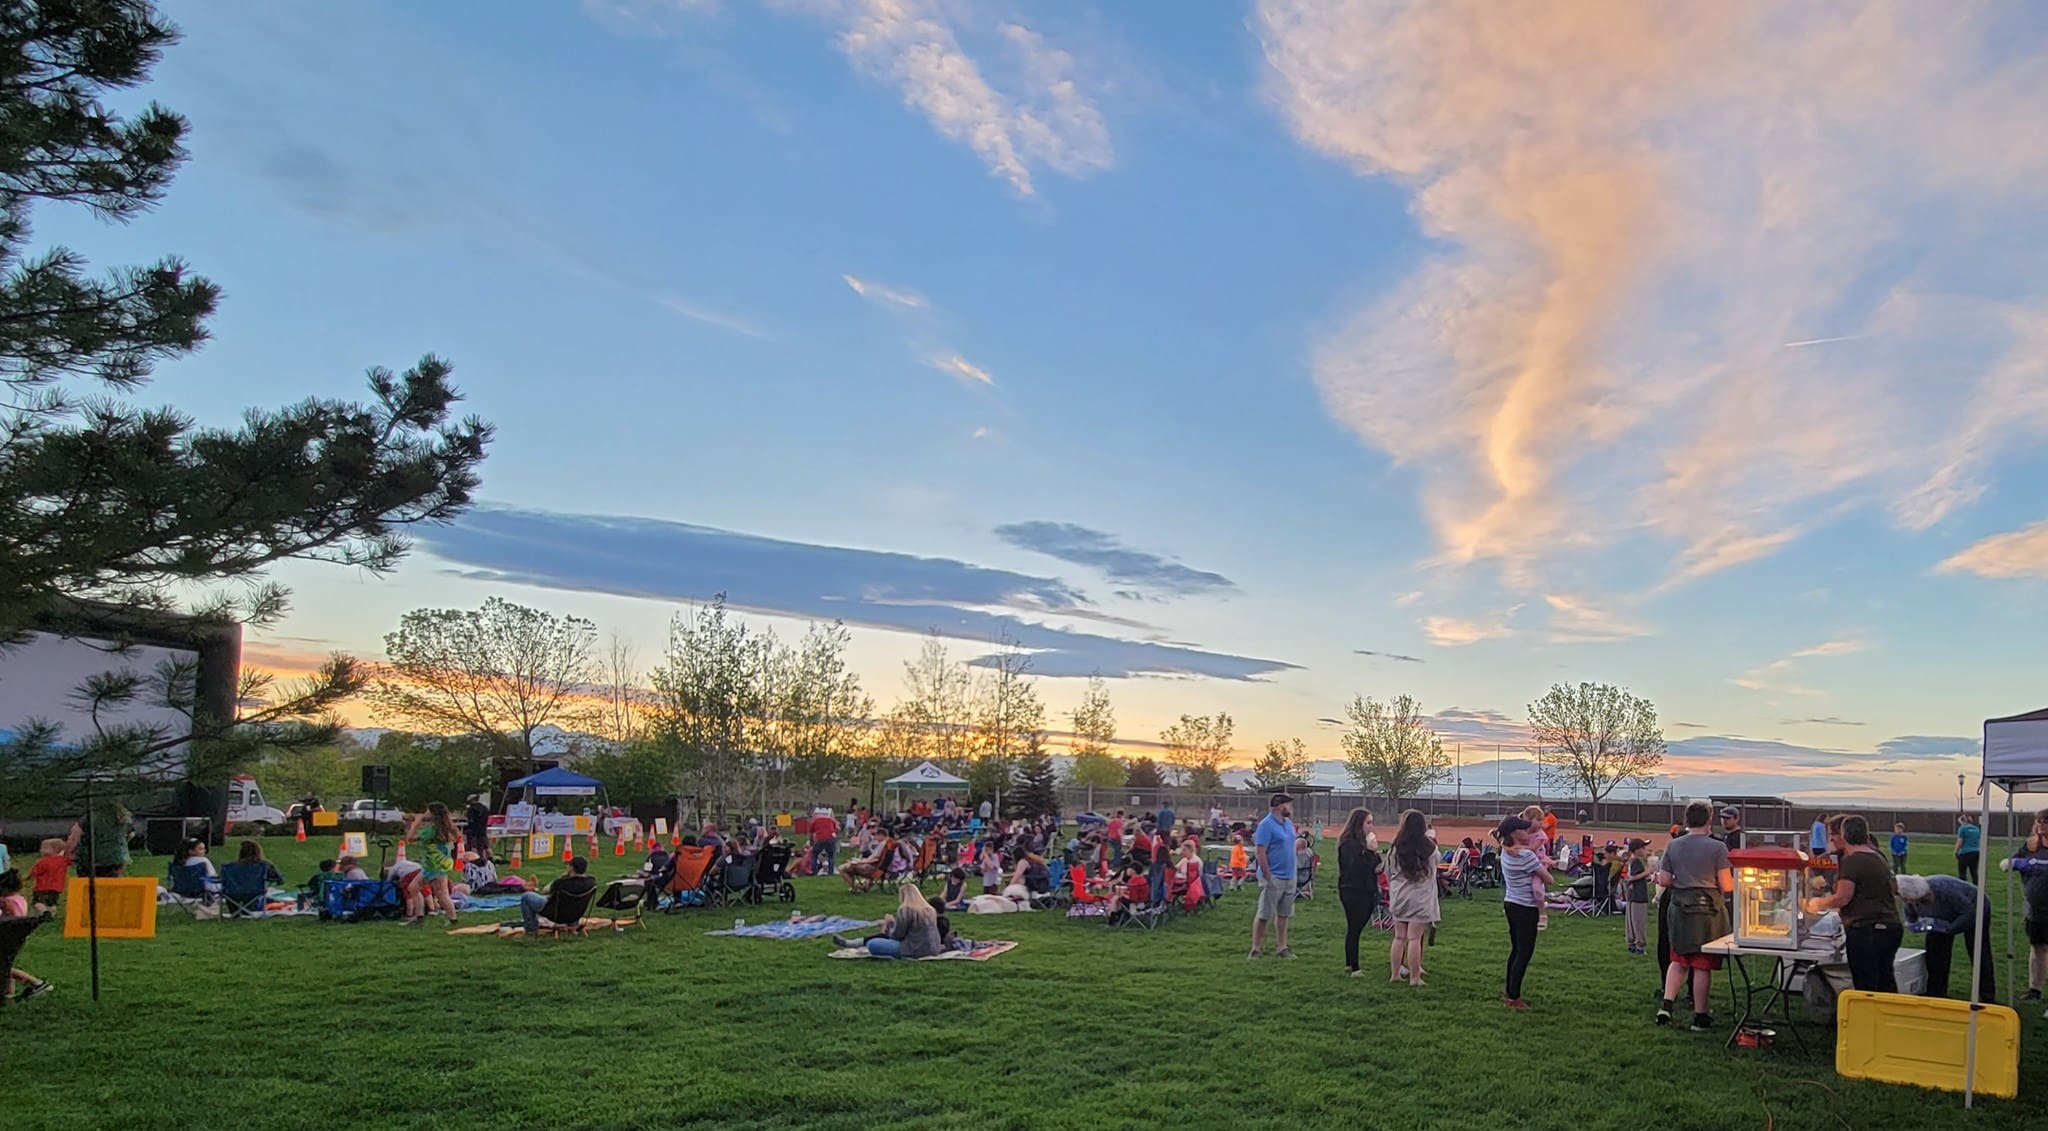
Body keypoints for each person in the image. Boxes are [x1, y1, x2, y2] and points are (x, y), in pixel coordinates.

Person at [1655, 801, 1733, 1031]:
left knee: (1678, 959)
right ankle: (1700, 1016)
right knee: (1701, 964)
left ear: (1686, 820)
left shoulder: (1674, 845)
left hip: (1679, 906)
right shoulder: (1718, 848)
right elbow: (1726, 884)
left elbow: (1665, 880)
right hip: (1707, 909)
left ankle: (1667, 1005)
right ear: (1709, 820)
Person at [1805, 814, 1902, 993]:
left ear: (1843, 834)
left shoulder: (1853, 861)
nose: (1831, 840)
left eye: (1833, 835)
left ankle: (1865, 1018)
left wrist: (1816, 903)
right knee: (1885, 982)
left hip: (1867, 931)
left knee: (1866, 985)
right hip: (1890, 927)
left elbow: (1843, 897)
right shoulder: (1877, 856)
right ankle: (1885, 1017)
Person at [1898, 873, 1993, 1001]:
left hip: (1975, 908)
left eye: (1912, 900)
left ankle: (1987, 995)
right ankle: (1936, 993)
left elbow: (1969, 912)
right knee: (1935, 955)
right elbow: (1911, 919)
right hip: (1940, 918)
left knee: (1978, 952)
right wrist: (1915, 925)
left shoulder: (1946, 889)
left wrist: (1950, 929)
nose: (1908, 903)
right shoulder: (1909, 897)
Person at [1496, 816, 1547, 1010]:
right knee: (1523, 953)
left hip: (1511, 904)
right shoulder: (1526, 856)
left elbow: (1503, 841)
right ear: (1515, 834)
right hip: (1526, 908)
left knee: (1516, 950)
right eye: (1524, 831)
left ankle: (1510, 992)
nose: (1529, 833)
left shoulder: (1507, 851)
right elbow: (1548, 879)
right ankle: (1514, 997)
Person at [1386, 809, 1439, 987]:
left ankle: (1395, 974)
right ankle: (1415, 978)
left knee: (1399, 937)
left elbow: (1389, 870)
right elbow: (1435, 865)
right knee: (1415, 938)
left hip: (1399, 896)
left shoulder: (1396, 846)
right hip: (1419, 898)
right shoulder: (1429, 848)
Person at [2001, 808, 2048, 1002]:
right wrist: (2013, 863)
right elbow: (2009, 863)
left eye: (2046, 821)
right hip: (2035, 911)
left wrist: (2039, 865)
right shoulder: (2030, 847)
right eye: (2039, 821)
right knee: (2038, 948)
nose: (2041, 824)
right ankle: (2034, 989)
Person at [833, 883, 942, 958]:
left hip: (914, 949)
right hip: (933, 948)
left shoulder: (906, 909)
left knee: (873, 944)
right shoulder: (929, 910)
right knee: (880, 939)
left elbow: (898, 936)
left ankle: (851, 943)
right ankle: (851, 943)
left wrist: (888, 925)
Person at [1249, 792, 1297, 959]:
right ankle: (1256, 948)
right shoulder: (1266, 825)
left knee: (1284, 914)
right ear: (1278, 805)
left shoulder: (1288, 823)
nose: (1290, 808)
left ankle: (1282, 947)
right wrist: (1268, 877)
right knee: (1265, 914)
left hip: (1290, 876)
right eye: (1288, 804)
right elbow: (1260, 853)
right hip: (1274, 876)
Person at [1335, 808, 1383, 977]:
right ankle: (1353, 967)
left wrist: (1374, 852)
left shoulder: (1363, 843)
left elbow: (1376, 867)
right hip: (1353, 890)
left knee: (1356, 927)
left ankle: (1350, 963)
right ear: (1359, 824)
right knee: (1354, 927)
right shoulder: (1349, 844)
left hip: (1366, 889)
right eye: (1368, 822)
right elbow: (1356, 867)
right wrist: (1370, 852)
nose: (1371, 826)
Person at [404, 802, 463, 927]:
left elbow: (410, 838)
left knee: (441, 894)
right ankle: (419, 916)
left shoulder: (432, 830)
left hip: (435, 865)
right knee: (414, 888)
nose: (425, 813)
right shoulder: (444, 828)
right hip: (435, 865)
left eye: (427, 811)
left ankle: (452, 918)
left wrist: (416, 823)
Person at [509, 855, 598, 935]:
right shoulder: (591, 883)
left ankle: (531, 928)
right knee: (572, 901)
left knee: (527, 896)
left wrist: (562, 876)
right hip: (575, 915)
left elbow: (545, 890)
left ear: (571, 868)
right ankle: (573, 924)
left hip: (556, 914)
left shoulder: (562, 883)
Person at [2, 869, 52, 1002]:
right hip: (16, 937)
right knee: (6, 965)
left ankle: (37, 983)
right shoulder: (20, 899)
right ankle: (8, 994)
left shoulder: (7, 902)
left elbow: (12, 919)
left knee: (6, 968)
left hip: (8, 936)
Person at [1623, 839, 1652, 955]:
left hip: (1632, 895)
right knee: (1639, 921)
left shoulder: (1632, 861)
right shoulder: (1636, 861)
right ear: (1637, 850)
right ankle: (1639, 945)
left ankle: (1631, 943)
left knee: (1632, 921)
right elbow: (1633, 877)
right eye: (1643, 848)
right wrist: (1648, 872)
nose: (1645, 850)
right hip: (1638, 896)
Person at [807, 808, 840, 876]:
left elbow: (810, 833)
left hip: (820, 838)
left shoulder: (815, 821)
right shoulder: (830, 819)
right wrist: (835, 836)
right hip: (830, 838)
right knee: (831, 856)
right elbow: (837, 828)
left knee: (814, 855)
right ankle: (831, 873)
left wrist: (811, 842)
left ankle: (814, 872)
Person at [1955, 815, 1981, 884]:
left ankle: (1963, 887)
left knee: (1962, 873)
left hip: (1965, 852)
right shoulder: (1976, 829)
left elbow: (1960, 841)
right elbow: (1978, 841)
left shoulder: (1962, 828)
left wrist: (1956, 851)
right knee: (1974, 871)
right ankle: (1977, 888)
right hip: (1976, 852)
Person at [464, 795, 491, 860]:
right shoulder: (485, 808)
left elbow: (470, 821)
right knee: (486, 846)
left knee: (474, 846)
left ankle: (475, 860)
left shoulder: (471, 809)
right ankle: (490, 859)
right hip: (483, 830)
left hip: (473, 831)